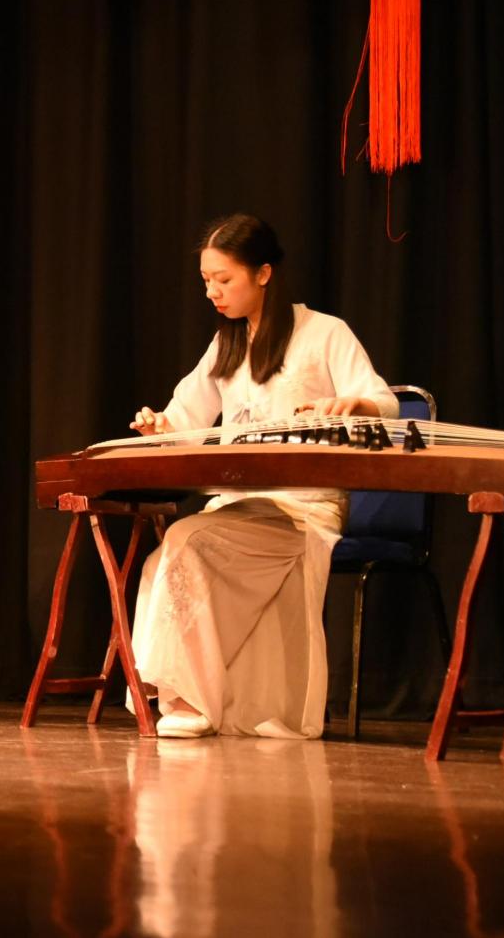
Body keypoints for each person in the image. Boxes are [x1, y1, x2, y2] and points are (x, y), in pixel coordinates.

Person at [126, 214, 397, 739]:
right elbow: (185, 418)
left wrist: (356, 403)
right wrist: (159, 425)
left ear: (264, 273)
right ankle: (196, 695)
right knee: (163, 560)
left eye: (223, 280)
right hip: (241, 508)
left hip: (303, 510)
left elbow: (385, 402)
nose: (212, 292)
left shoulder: (324, 333)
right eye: (206, 281)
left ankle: (192, 700)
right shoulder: (227, 344)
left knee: (186, 540)